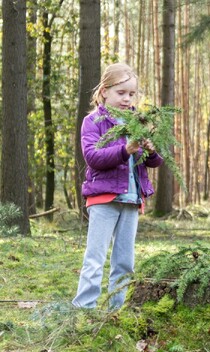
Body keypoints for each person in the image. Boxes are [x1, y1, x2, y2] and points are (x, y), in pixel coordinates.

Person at [72, 63, 163, 310]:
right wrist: (125, 150)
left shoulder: (139, 122)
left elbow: (154, 161)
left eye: (132, 94)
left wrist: (152, 151)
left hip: (132, 200)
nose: (127, 99)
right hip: (103, 198)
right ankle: (84, 309)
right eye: (121, 93)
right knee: (95, 257)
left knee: (125, 261)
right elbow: (93, 157)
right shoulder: (93, 121)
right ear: (104, 91)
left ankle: (117, 310)